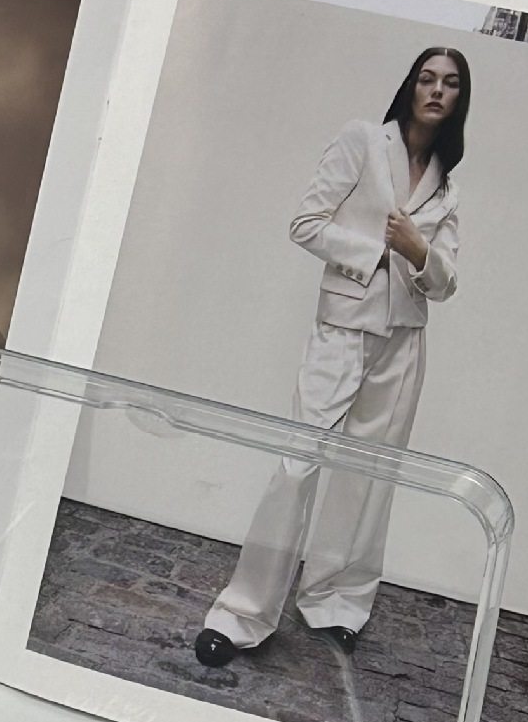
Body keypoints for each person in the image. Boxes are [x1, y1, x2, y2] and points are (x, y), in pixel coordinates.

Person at [194, 49, 468, 667]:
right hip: (342, 328)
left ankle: (336, 602)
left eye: (450, 84)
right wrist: (379, 251)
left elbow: (447, 282)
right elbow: (306, 222)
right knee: (297, 465)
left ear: (460, 100)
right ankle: (241, 614)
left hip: (404, 342)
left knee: (368, 479)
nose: (436, 90)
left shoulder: (448, 186)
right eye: (427, 79)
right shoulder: (363, 140)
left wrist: (419, 249)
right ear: (410, 86)